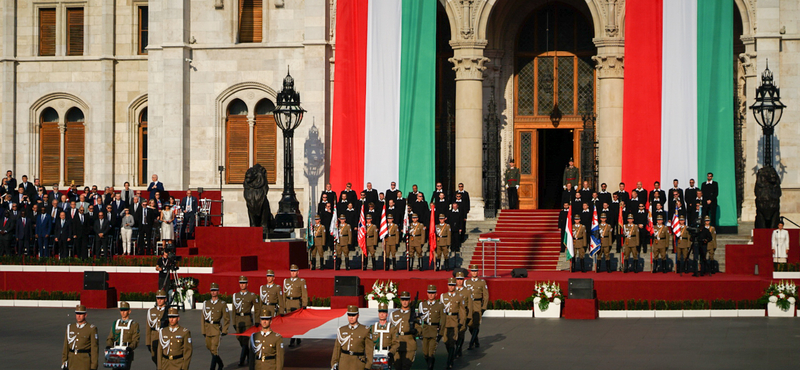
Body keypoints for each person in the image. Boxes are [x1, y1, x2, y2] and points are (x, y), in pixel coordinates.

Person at [331, 305, 374, 370]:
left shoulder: (365, 330)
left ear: (358, 315)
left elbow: (369, 351)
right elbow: (337, 349)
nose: (351, 317)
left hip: (358, 364)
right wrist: (334, 363)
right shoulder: (342, 330)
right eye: (349, 315)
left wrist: (368, 366)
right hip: (343, 364)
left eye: (353, 315)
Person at [232, 276, 260, 366]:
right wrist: (234, 322)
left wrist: (257, 320)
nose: (242, 285)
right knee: (239, 339)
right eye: (240, 283)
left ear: (247, 284)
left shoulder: (251, 295)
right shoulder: (236, 295)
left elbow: (257, 308)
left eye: (244, 283)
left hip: (247, 320)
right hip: (239, 320)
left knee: (245, 340)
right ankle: (249, 356)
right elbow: (233, 310)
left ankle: (241, 360)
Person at [202, 282, 230, 370]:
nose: (213, 292)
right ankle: (220, 364)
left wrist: (225, 330)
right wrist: (203, 330)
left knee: (214, 349)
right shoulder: (206, 303)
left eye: (215, 290)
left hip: (216, 329)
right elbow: (202, 318)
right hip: (207, 328)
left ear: (218, 292)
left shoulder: (222, 304)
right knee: (209, 347)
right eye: (212, 290)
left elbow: (227, 318)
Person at [61, 305, 98, 370]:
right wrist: (64, 361)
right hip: (72, 361)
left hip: (84, 362)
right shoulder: (70, 327)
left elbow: (94, 349)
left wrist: (93, 366)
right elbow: (66, 346)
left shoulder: (91, 329)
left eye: (81, 314)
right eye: (77, 313)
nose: (78, 316)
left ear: (85, 315)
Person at [105, 301, 140, 367]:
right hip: (116, 351)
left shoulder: (134, 325)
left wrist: (130, 347)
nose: (123, 312)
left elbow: (136, 339)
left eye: (125, 310)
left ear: (129, 311)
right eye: (121, 310)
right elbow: (110, 337)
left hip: (127, 352)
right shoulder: (115, 323)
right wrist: (109, 345)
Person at [419, 285, 445, 370]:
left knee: (431, 353)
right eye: (429, 293)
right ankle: (430, 364)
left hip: (434, 331)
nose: (431, 295)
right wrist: (419, 332)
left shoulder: (440, 305)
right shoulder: (423, 305)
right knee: (425, 353)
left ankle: (430, 368)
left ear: (436, 294)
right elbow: (419, 319)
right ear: (427, 294)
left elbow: (443, 320)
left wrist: (441, 333)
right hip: (425, 330)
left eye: (433, 293)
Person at [441, 277, 466, 370]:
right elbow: (441, 310)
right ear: (447, 286)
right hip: (445, 321)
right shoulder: (443, 296)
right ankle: (451, 355)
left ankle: (449, 361)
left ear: (455, 286)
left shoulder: (459, 297)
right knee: (446, 341)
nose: (451, 287)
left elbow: (462, 311)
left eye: (452, 285)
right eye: (449, 285)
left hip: (454, 321)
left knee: (452, 342)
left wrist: (461, 322)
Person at [389, 291, 416, 370]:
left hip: (409, 343)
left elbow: (419, 329)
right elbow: (390, 328)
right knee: (397, 366)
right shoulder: (394, 314)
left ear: (409, 300)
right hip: (397, 343)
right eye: (403, 299)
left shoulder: (413, 314)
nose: (405, 302)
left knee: (406, 366)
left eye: (406, 299)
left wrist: (415, 331)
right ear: (400, 301)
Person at [463, 265, 488, 349]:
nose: (474, 272)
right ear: (470, 272)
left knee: (476, 324)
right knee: (470, 324)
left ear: (478, 272)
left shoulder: (482, 282)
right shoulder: (466, 282)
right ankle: (476, 340)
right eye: (472, 271)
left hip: (477, 304)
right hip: (469, 305)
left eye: (475, 271)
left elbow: (486, 295)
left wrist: (484, 307)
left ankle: (471, 343)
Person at [283, 264, 308, 347]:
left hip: (297, 302)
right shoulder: (286, 281)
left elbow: (304, 293)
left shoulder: (301, 281)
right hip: (289, 303)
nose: (293, 273)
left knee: (296, 322)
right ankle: (295, 337)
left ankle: (293, 339)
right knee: (290, 322)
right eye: (291, 271)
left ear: (298, 272)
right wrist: (283, 305)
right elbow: (284, 294)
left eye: (294, 271)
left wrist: (304, 304)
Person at [370, 302, 396, 368]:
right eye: (380, 312)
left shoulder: (392, 328)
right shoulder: (372, 327)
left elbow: (396, 343)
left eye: (384, 312)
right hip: (374, 354)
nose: (382, 314)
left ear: (387, 314)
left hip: (387, 353)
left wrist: (391, 352)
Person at [146, 290, 168, 366]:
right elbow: (148, 328)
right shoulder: (151, 311)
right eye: (158, 298)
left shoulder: (168, 311)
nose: (159, 300)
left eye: (161, 298)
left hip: (164, 337)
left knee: (163, 359)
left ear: (165, 299)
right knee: (154, 357)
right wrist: (148, 342)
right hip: (154, 337)